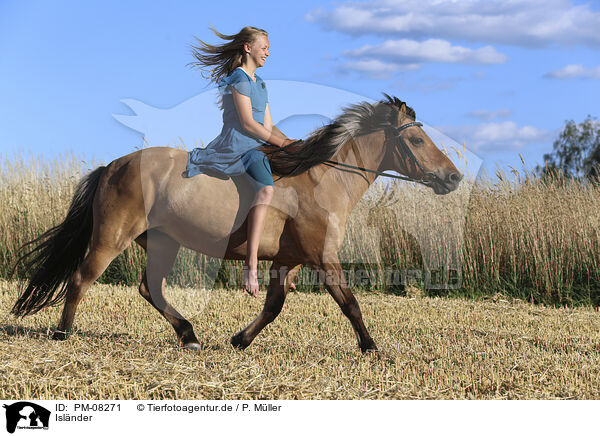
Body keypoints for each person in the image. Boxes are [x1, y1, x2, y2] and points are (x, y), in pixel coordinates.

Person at [185, 26, 297, 297]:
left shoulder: (260, 83)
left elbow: (269, 125)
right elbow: (248, 124)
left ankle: (290, 265)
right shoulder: (239, 78)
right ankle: (250, 264)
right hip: (239, 146)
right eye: (264, 47)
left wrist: (292, 144)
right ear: (248, 48)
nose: (268, 52)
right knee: (267, 189)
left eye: (268, 48)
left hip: (258, 143)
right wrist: (279, 143)